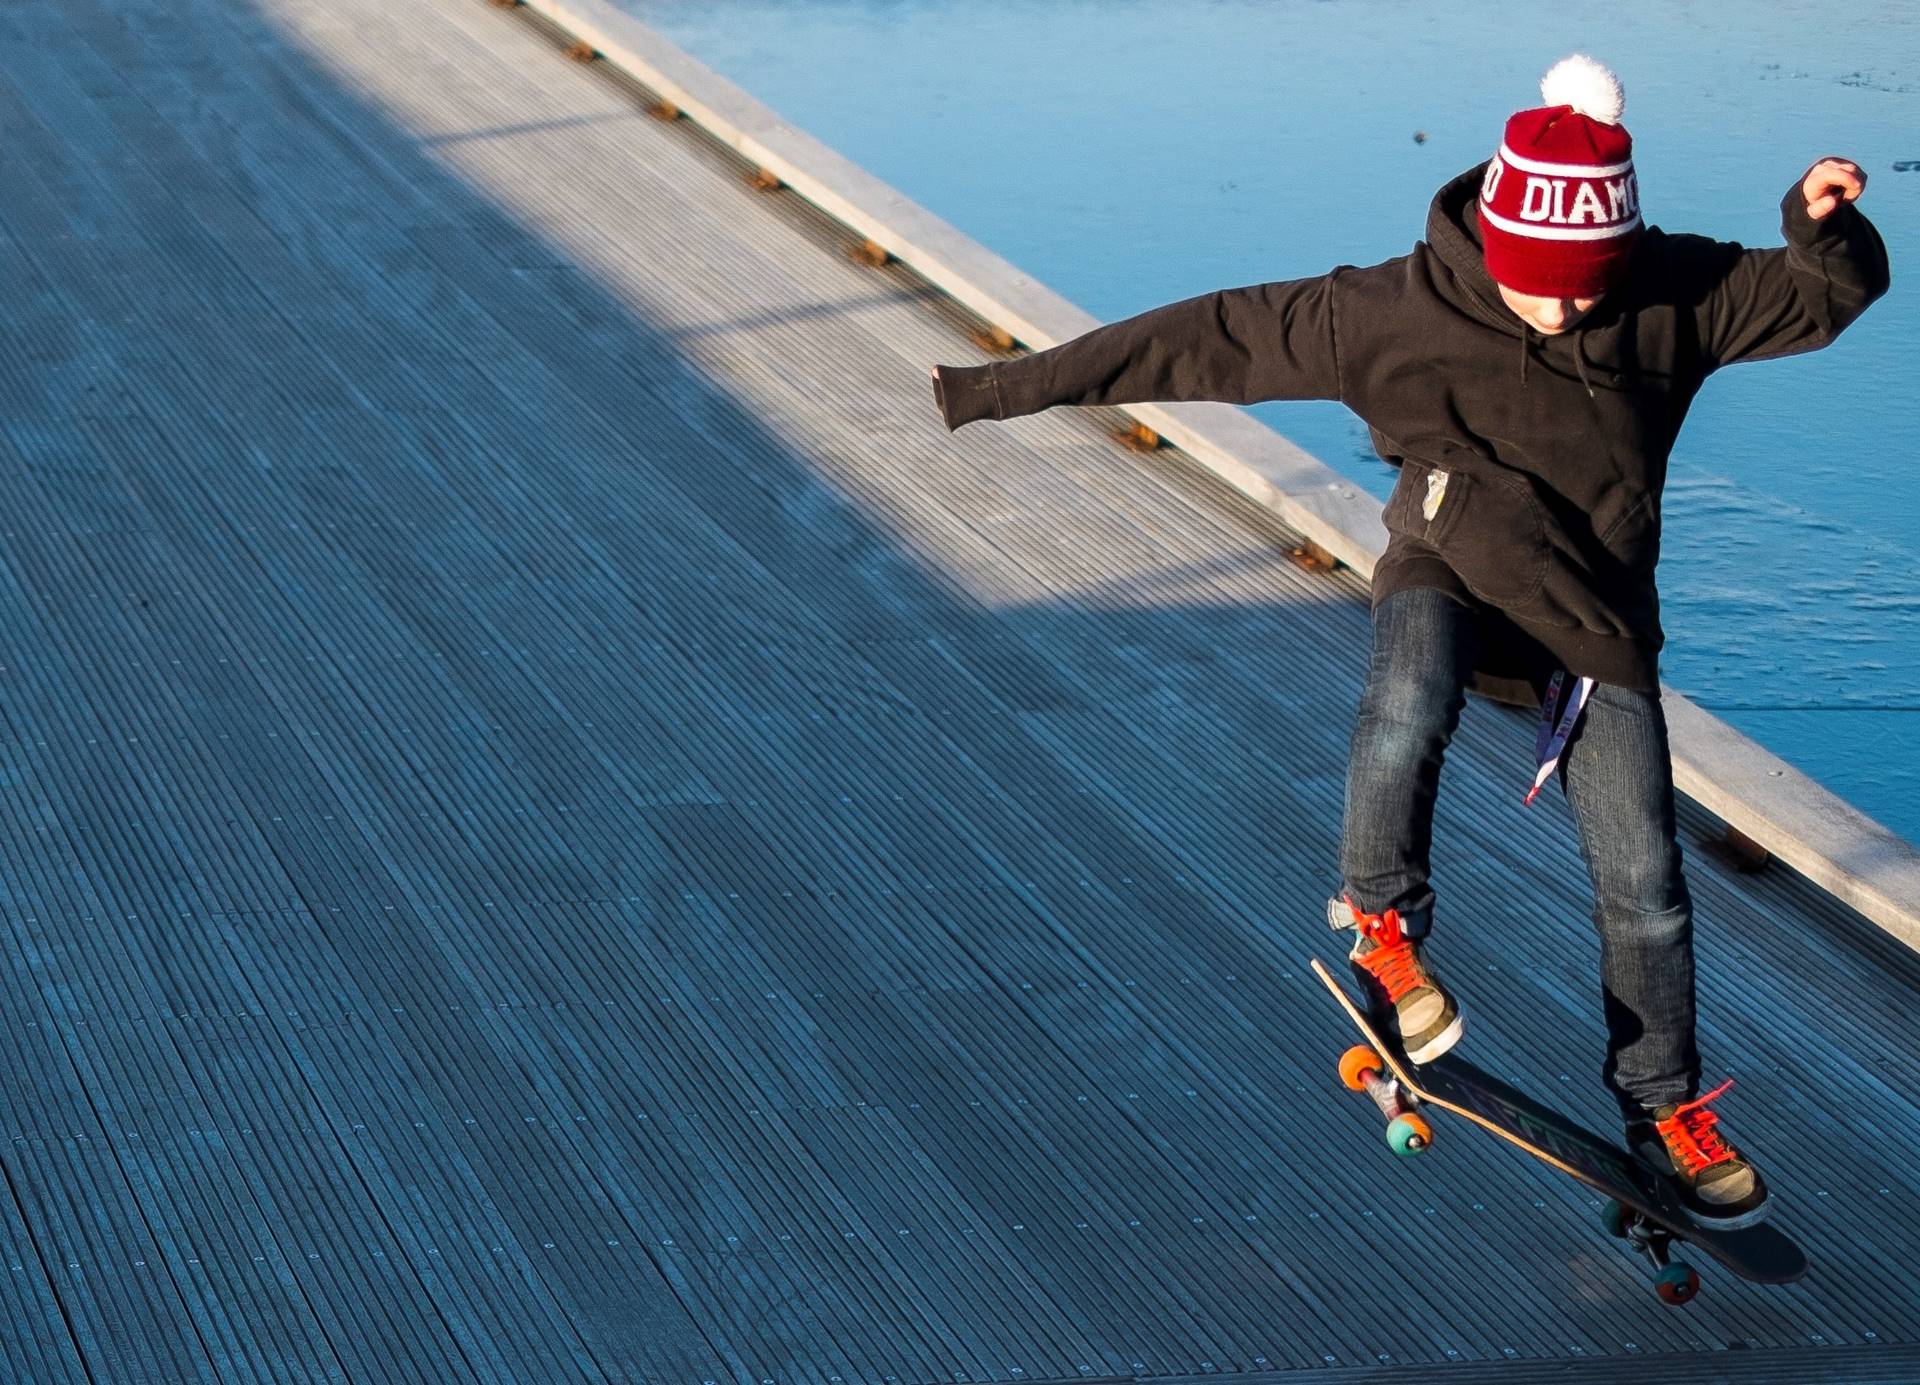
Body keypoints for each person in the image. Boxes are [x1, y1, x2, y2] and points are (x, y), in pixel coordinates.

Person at [926, 54, 1889, 1227]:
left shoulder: (1670, 293)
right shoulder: (1390, 311)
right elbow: (1207, 336)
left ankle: (1665, 1107)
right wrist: (1000, 386)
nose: (1565, 309)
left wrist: (1820, 230)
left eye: (1586, 289)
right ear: (1495, 242)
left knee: (1648, 881)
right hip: (1450, 560)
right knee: (1409, 697)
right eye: (1541, 286)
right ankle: (1382, 923)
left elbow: (1819, 299)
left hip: (1592, 612)